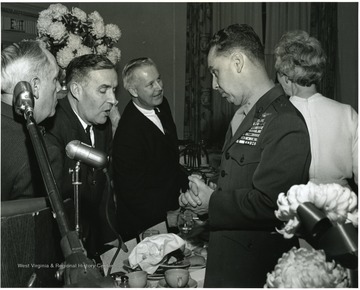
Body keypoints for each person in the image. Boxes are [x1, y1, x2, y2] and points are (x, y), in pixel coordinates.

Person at [179, 24, 311, 287]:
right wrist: (207, 194)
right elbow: (239, 182)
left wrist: (212, 202)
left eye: (216, 72)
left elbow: (271, 203)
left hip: (254, 270)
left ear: (238, 62)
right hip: (229, 261)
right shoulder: (245, 116)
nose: (214, 85)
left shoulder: (285, 121)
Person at [44, 54, 119, 258]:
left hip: (93, 240)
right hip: (61, 247)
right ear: (76, 90)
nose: (113, 100)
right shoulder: (52, 127)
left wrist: (109, 235)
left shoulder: (103, 126)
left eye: (114, 90)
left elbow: (104, 187)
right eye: (103, 90)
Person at [112, 57, 188, 241]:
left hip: (171, 216)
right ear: (133, 90)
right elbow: (132, 194)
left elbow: (169, 157)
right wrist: (166, 218)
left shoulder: (163, 104)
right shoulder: (128, 133)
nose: (159, 87)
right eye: (150, 84)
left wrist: (188, 184)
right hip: (145, 227)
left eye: (159, 79)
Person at [274, 30, 358, 190]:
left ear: (285, 76)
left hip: (293, 208)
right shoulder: (348, 114)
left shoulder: (275, 115)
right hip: (341, 207)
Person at [1, 39, 61, 201]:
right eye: (55, 79)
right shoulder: (41, 152)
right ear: (34, 86)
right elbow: (32, 225)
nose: (60, 88)